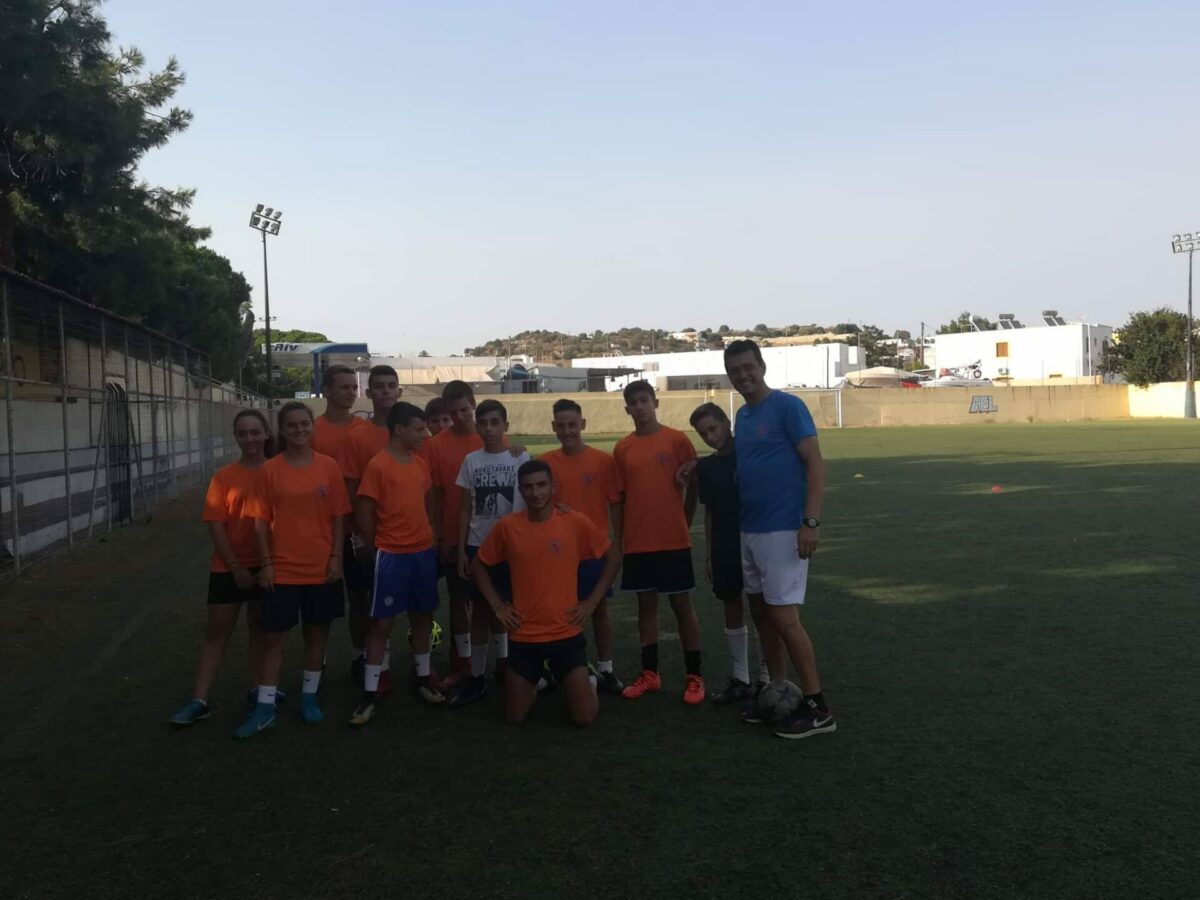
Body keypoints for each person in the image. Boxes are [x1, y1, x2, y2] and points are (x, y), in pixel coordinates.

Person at [724, 339, 835, 739]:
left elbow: (815, 463)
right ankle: (778, 691)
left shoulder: (788, 406)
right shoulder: (743, 417)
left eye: (748, 367)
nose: (743, 375)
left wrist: (811, 522)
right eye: (735, 370)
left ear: (762, 366)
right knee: (763, 618)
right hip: (750, 529)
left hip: (783, 529)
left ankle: (818, 708)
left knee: (785, 619)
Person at [472, 461, 620, 726]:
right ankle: (538, 681)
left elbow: (613, 556)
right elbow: (478, 565)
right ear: (520, 490)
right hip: (524, 635)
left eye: (542, 485)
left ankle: (588, 680)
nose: (536, 492)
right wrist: (498, 606)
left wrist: (591, 602)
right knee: (514, 716)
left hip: (565, 633)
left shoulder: (574, 521)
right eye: (528, 487)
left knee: (584, 718)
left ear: (553, 487)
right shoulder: (508, 527)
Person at [237, 402, 351, 739]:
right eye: (292, 425)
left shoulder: (328, 466)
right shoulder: (269, 470)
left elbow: (339, 517)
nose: (299, 430)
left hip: (321, 569)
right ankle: (265, 707)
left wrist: (336, 557)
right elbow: (259, 522)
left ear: (312, 427)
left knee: (316, 636)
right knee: (273, 639)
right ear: (282, 430)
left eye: (304, 424)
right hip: (282, 570)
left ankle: (309, 698)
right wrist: (267, 563)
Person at [169, 409, 275, 727]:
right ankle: (199, 700)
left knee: (260, 631)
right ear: (236, 437)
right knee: (216, 633)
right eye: (243, 433)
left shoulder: (277, 472)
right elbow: (216, 526)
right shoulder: (224, 477)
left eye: (255, 432)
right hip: (228, 567)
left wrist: (266, 565)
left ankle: (258, 691)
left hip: (267, 566)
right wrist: (235, 567)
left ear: (266, 433)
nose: (250, 439)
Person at [349, 402, 443, 726]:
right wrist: (375, 545)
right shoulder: (378, 465)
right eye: (418, 429)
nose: (424, 434)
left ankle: (423, 679)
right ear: (399, 429)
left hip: (422, 552)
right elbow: (364, 510)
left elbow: (426, 501)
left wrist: (430, 535)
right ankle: (370, 693)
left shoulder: (419, 464)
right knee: (381, 624)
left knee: (423, 616)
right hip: (391, 555)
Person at [612, 380, 705, 705]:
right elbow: (620, 499)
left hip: (673, 540)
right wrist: (620, 539)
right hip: (639, 542)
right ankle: (650, 673)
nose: (640, 407)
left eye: (644, 400)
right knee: (646, 607)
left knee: (682, 606)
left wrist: (684, 523)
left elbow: (694, 486)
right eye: (633, 403)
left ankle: (694, 676)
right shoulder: (623, 449)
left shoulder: (677, 440)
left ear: (655, 402)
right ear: (627, 409)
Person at [447, 399, 530, 708]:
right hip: (478, 546)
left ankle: (509, 666)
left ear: (505, 425)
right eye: (483, 423)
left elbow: (533, 499)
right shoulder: (471, 461)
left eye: (495, 422)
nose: (489, 429)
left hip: (512, 547)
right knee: (480, 612)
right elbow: (465, 508)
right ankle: (477, 676)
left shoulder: (519, 457)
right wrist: (461, 550)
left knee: (510, 608)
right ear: (477, 426)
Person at [687, 402, 771, 704]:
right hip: (724, 544)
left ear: (727, 423)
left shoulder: (749, 455)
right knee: (731, 604)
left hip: (756, 539)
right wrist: (710, 554)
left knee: (762, 609)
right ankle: (740, 677)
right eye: (703, 433)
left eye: (713, 428)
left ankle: (767, 678)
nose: (710, 437)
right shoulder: (706, 467)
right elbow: (710, 512)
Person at [540, 398, 624, 695]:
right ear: (553, 427)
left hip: (593, 552)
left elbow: (615, 503)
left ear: (582, 424)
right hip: (556, 553)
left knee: (598, 609)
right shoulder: (546, 463)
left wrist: (618, 541)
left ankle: (606, 668)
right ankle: (556, 668)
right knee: (556, 612)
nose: (567, 431)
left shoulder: (602, 461)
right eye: (561, 426)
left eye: (572, 425)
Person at [340, 365, 403, 691]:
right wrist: (360, 535)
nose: (385, 391)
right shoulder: (357, 436)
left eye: (391, 385)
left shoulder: (410, 432)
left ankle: (398, 661)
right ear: (369, 392)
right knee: (362, 599)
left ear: (399, 391)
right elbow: (351, 489)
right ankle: (360, 655)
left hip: (405, 535)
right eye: (379, 386)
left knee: (408, 604)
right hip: (368, 535)